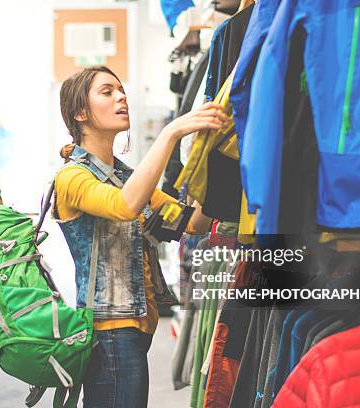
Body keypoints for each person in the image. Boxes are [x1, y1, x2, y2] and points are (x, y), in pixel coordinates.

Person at [54, 66, 229, 408]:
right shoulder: (72, 178)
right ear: (79, 112)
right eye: (107, 92)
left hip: (136, 329)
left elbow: (191, 223)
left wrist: (211, 165)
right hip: (109, 333)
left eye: (121, 90)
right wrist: (170, 134)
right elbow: (124, 206)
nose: (121, 97)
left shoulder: (125, 176)